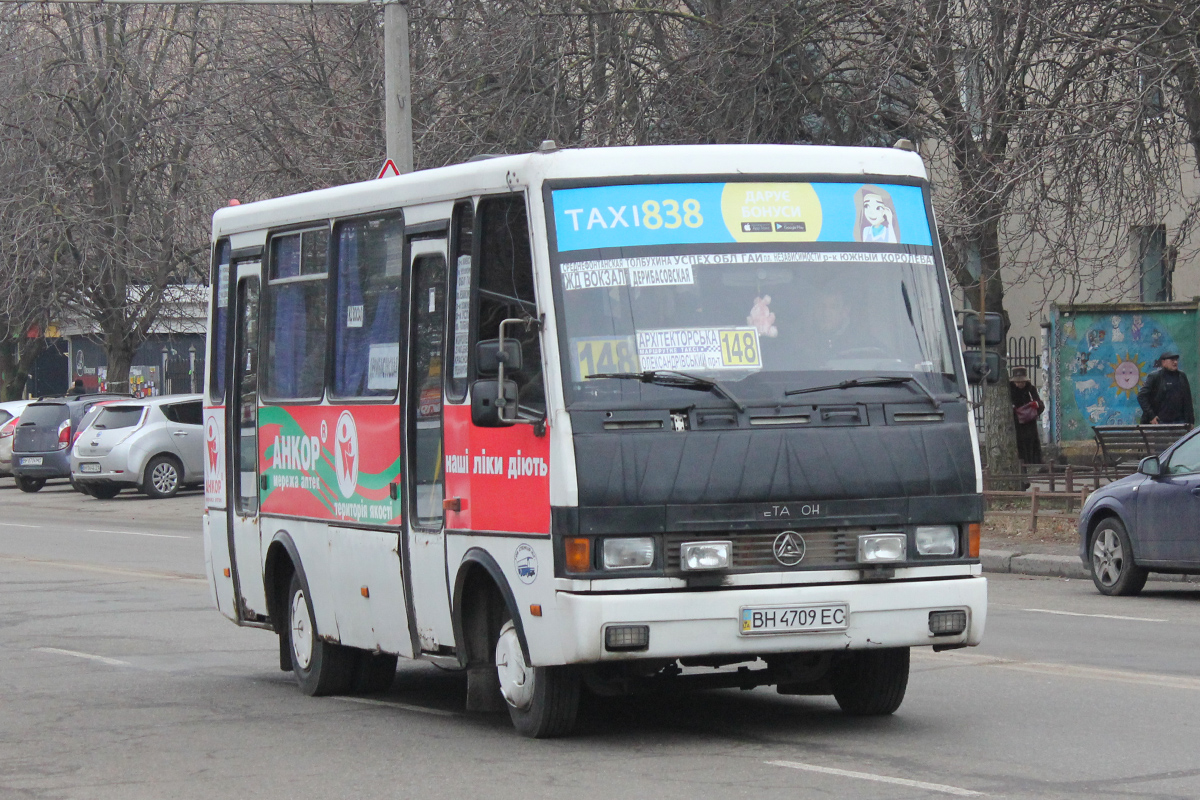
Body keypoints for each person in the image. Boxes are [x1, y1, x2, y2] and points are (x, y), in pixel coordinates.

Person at [1137, 351, 1194, 425]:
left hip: (1180, 421)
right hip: (1160, 421)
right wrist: (1151, 416)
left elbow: (1188, 400)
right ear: (1163, 362)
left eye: (1176, 360)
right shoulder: (1155, 377)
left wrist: (1191, 422)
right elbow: (1141, 396)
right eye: (1172, 360)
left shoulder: (1182, 376)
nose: (1175, 362)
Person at [1008, 367, 1044, 464]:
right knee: (1019, 445)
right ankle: (1021, 465)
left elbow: (1040, 404)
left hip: (1030, 424)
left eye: (1022, 382)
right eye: (1018, 382)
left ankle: (1033, 464)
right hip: (1017, 424)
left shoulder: (1031, 389)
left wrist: (1036, 405)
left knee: (1031, 444)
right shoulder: (1009, 390)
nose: (1020, 384)